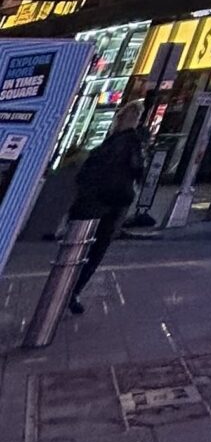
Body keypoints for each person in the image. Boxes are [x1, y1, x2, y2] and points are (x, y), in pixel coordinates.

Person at [67, 106, 154, 312]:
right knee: (93, 250)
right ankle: (72, 291)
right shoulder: (131, 143)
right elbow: (138, 173)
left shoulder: (115, 143)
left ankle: (68, 289)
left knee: (81, 249)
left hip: (95, 204)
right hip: (108, 204)